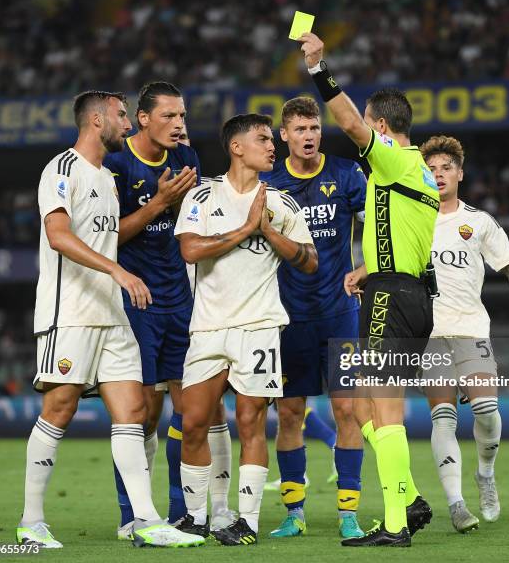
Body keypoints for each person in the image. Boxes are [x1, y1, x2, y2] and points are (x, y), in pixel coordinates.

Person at [16, 90, 204, 548]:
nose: (127, 124)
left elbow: (112, 234)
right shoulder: (63, 169)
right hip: (72, 313)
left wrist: (159, 207)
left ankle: (146, 521)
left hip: (114, 314)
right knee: (59, 409)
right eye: (122, 116)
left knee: (134, 413)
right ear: (97, 120)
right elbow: (58, 237)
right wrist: (119, 270)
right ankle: (31, 521)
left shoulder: (105, 177)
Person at [298, 32, 438, 547]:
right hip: (404, 293)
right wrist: (366, 268)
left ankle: (397, 523)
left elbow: (349, 123)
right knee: (364, 408)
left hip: (391, 300)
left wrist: (319, 69)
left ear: (382, 126)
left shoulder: (396, 160)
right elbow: (398, 231)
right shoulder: (417, 171)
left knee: (383, 410)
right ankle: (407, 498)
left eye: (371, 128)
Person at [174, 113, 318, 546]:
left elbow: (310, 261)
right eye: (262, 139)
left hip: (259, 326)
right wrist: (244, 230)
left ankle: (247, 523)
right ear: (236, 147)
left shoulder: (283, 203)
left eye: (272, 140)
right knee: (195, 422)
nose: (273, 146)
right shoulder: (202, 196)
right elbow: (190, 250)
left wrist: (268, 232)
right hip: (208, 328)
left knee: (251, 422)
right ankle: (196, 518)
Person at [103, 81, 235, 537]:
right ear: (143, 118)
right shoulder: (116, 164)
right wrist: (159, 201)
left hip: (180, 298)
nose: (180, 125)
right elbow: (107, 237)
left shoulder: (187, 159)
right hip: (135, 300)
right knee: (140, 413)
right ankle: (131, 515)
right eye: (170, 116)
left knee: (193, 407)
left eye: (183, 116)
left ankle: (183, 511)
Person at [260, 97, 367, 539]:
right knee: (289, 414)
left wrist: (367, 267)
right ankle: (294, 513)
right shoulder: (268, 181)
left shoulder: (346, 174)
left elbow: (380, 224)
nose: (309, 136)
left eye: (315, 128)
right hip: (288, 317)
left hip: (340, 313)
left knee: (347, 410)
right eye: (300, 129)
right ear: (284, 135)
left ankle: (349, 513)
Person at [419, 135, 509, 532]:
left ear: (460, 174)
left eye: (445, 168)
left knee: (486, 411)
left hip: (470, 328)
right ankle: (455, 504)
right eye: (432, 169)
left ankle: (485, 474)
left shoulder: (479, 221)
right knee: (443, 418)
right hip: (428, 334)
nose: (438, 175)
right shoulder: (412, 218)